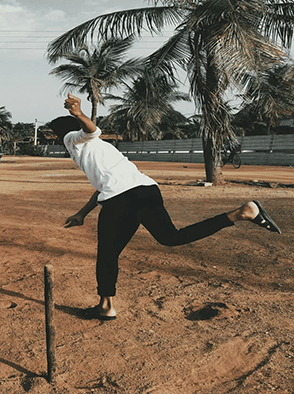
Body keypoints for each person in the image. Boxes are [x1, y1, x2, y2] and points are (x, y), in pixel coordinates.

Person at [53, 94, 281, 321]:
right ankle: (241, 213)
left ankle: (105, 306)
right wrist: (82, 213)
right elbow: (105, 185)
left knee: (107, 254)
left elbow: (92, 131)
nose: (56, 140)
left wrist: (79, 114)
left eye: (55, 135)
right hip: (146, 190)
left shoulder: (73, 139)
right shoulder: (102, 150)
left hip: (122, 200)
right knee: (171, 237)